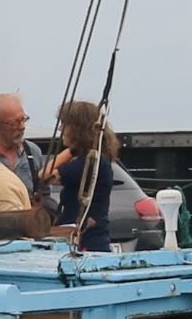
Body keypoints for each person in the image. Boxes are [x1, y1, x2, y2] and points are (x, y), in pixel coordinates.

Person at [44, 102, 153, 251]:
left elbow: (45, 174)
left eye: (64, 124)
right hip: (95, 239)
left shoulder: (85, 163)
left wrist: (72, 150)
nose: (60, 129)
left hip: (86, 243)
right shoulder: (99, 161)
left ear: (76, 129)